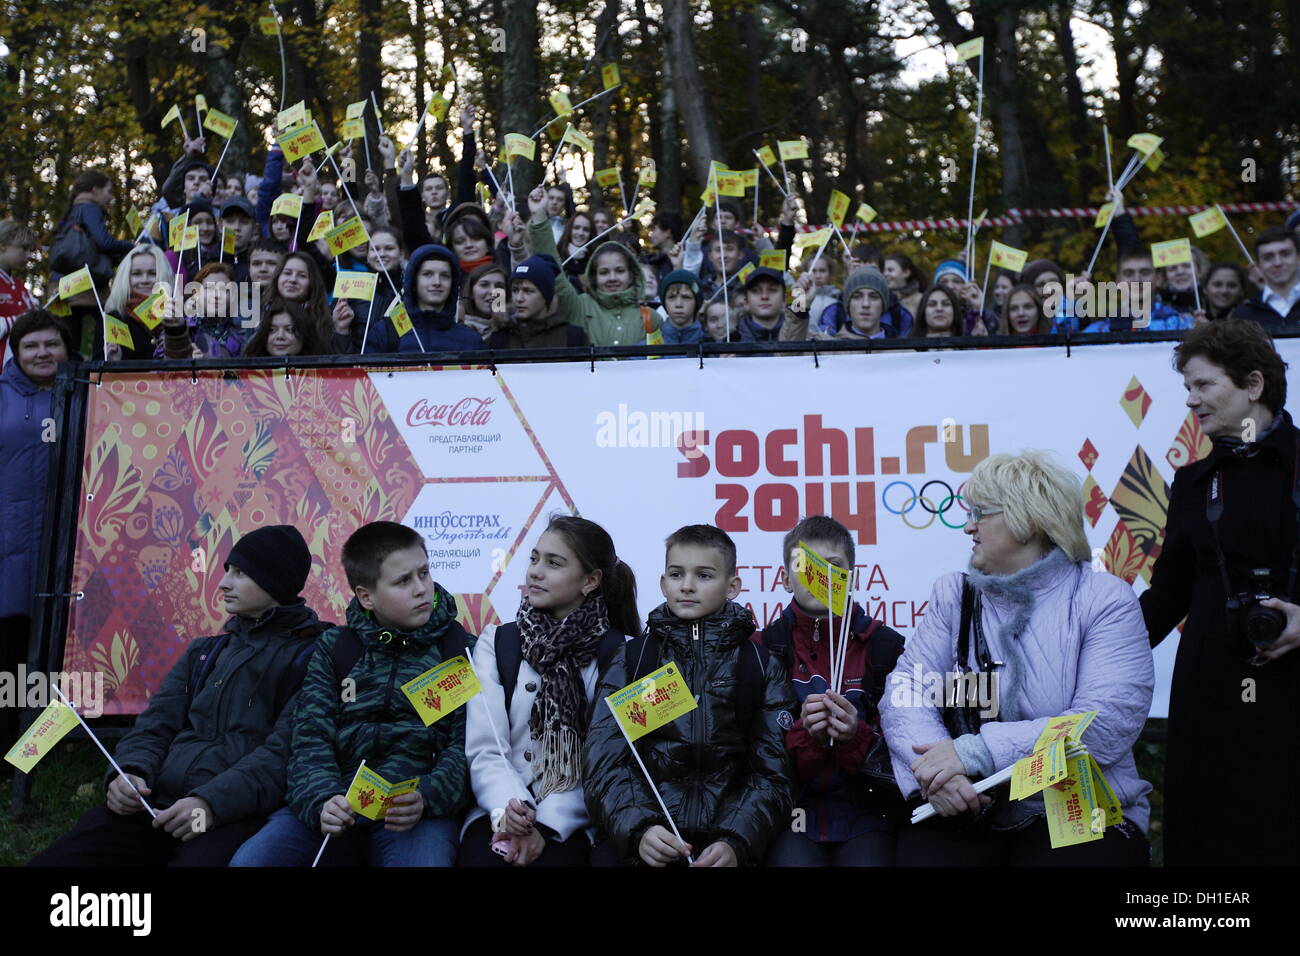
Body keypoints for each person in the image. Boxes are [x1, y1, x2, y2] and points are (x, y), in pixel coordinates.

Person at [881, 451, 1154, 866]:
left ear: (1028, 520)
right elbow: (904, 693)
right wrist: (938, 770)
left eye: (981, 513)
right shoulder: (954, 595)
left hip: (1076, 809)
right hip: (970, 808)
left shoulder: (1105, 599)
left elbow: (1104, 722)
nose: (969, 526)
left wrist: (974, 752)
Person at [29, 526, 326, 867]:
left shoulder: (314, 659)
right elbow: (155, 725)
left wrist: (208, 804)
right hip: (153, 803)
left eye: (241, 573)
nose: (224, 583)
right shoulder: (204, 652)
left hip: (228, 816)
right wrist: (129, 773)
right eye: (227, 570)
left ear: (275, 580)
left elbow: (283, 757)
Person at [1140, 320, 1300, 865]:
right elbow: (1166, 598)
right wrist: (1088, 647)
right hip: (1210, 691)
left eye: (1203, 386)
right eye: (1188, 388)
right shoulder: (1193, 481)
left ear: (1253, 385)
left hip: (1290, 691)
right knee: (1207, 841)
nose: (1191, 401)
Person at [231, 521, 474, 867]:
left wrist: (428, 796)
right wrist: (322, 799)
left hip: (417, 813)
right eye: (403, 581)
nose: (422, 589)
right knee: (252, 862)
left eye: (424, 573)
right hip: (337, 800)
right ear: (366, 596)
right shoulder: (335, 648)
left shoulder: (458, 649)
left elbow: (466, 744)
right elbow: (310, 736)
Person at [582, 524, 796, 867]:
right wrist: (641, 829)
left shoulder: (759, 663)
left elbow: (772, 772)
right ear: (663, 582)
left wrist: (736, 840)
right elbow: (605, 761)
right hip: (650, 841)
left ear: (733, 587)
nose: (687, 585)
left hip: (728, 844)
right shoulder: (634, 659)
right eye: (676, 573)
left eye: (704, 575)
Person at [459, 516, 640, 867]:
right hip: (499, 811)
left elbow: (608, 761)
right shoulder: (497, 642)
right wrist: (512, 811)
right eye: (534, 559)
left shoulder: (623, 653)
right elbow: (486, 748)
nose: (535, 572)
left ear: (590, 580)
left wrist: (545, 823)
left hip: (571, 823)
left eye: (554, 563)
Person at [761, 516, 905, 867]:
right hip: (789, 815)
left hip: (868, 813)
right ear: (784, 578)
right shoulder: (762, 649)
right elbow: (753, 751)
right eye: (805, 565)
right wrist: (805, 735)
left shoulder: (886, 648)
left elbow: (907, 747)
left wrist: (856, 736)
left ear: (851, 578)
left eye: (833, 567)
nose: (820, 577)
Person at [0, 311, 75, 752]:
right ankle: (10, 742)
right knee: (9, 647)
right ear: (16, 352)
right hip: (8, 542)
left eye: (52, 344)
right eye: (31, 345)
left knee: (61, 644)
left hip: (68, 543)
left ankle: (51, 741)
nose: (42, 353)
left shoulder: (86, 389)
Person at [527, 186, 656, 347]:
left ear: (632, 275)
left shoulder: (651, 317)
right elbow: (554, 269)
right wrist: (539, 215)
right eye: (604, 272)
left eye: (620, 271)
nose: (612, 277)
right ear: (593, 275)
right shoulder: (579, 306)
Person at [361, 244, 484, 354]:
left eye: (445, 276)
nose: (437, 282)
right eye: (428, 274)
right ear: (414, 282)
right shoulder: (384, 332)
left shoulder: (471, 341)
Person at [488, 255, 588, 350]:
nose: (519, 298)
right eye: (515, 290)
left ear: (546, 295)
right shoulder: (500, 337)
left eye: (528, 291)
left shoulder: (573, 337)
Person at [156, 262, 248, 359]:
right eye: (209, 288)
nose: (216, 295)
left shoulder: (239, 337)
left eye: (224, 289)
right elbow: (161, 361)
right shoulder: (180, 327)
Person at [102, 244, 176, 360]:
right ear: (125, 277)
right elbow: (94, 375)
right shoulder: (112, 319)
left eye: (152, 273)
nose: (144, 280)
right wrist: (113, 364)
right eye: (136, 274)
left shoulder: (178, 317)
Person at [1229, 227, 1300, 329]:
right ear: (1258, 265)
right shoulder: (1243, 316)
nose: (1277, 263)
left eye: (1285, 254)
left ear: (1298, 258)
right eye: (1268, 257)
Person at [0, 221, 38, 367]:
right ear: (3, 245)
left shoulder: (19, 285)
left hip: (16, 371)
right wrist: (16, 321)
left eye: (31, 250)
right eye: (23, 248)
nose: (28, 255)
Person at [243, 299, 330, 357]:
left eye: (290, 330)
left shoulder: (323, 377)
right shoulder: (246, 377)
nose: (280, 336)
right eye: (272, 330)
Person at [658, 270, 703, 345]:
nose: (678, 304)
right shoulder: (644, 352)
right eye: (671, 297)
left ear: (696, 302)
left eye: (686, 297)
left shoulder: (715, 352)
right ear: (664, 302)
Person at [558, 211, 596, 291]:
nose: (580, 233)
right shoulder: (557, 254)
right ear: (569, 229)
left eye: (586, 230)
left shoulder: (594, 262)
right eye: (576, 228)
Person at [883, 253, 923, 321]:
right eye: (883, 270)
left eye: (890, 270)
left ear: (906, 273)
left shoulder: (921, 300)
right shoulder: (880, 299)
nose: (885, 274)